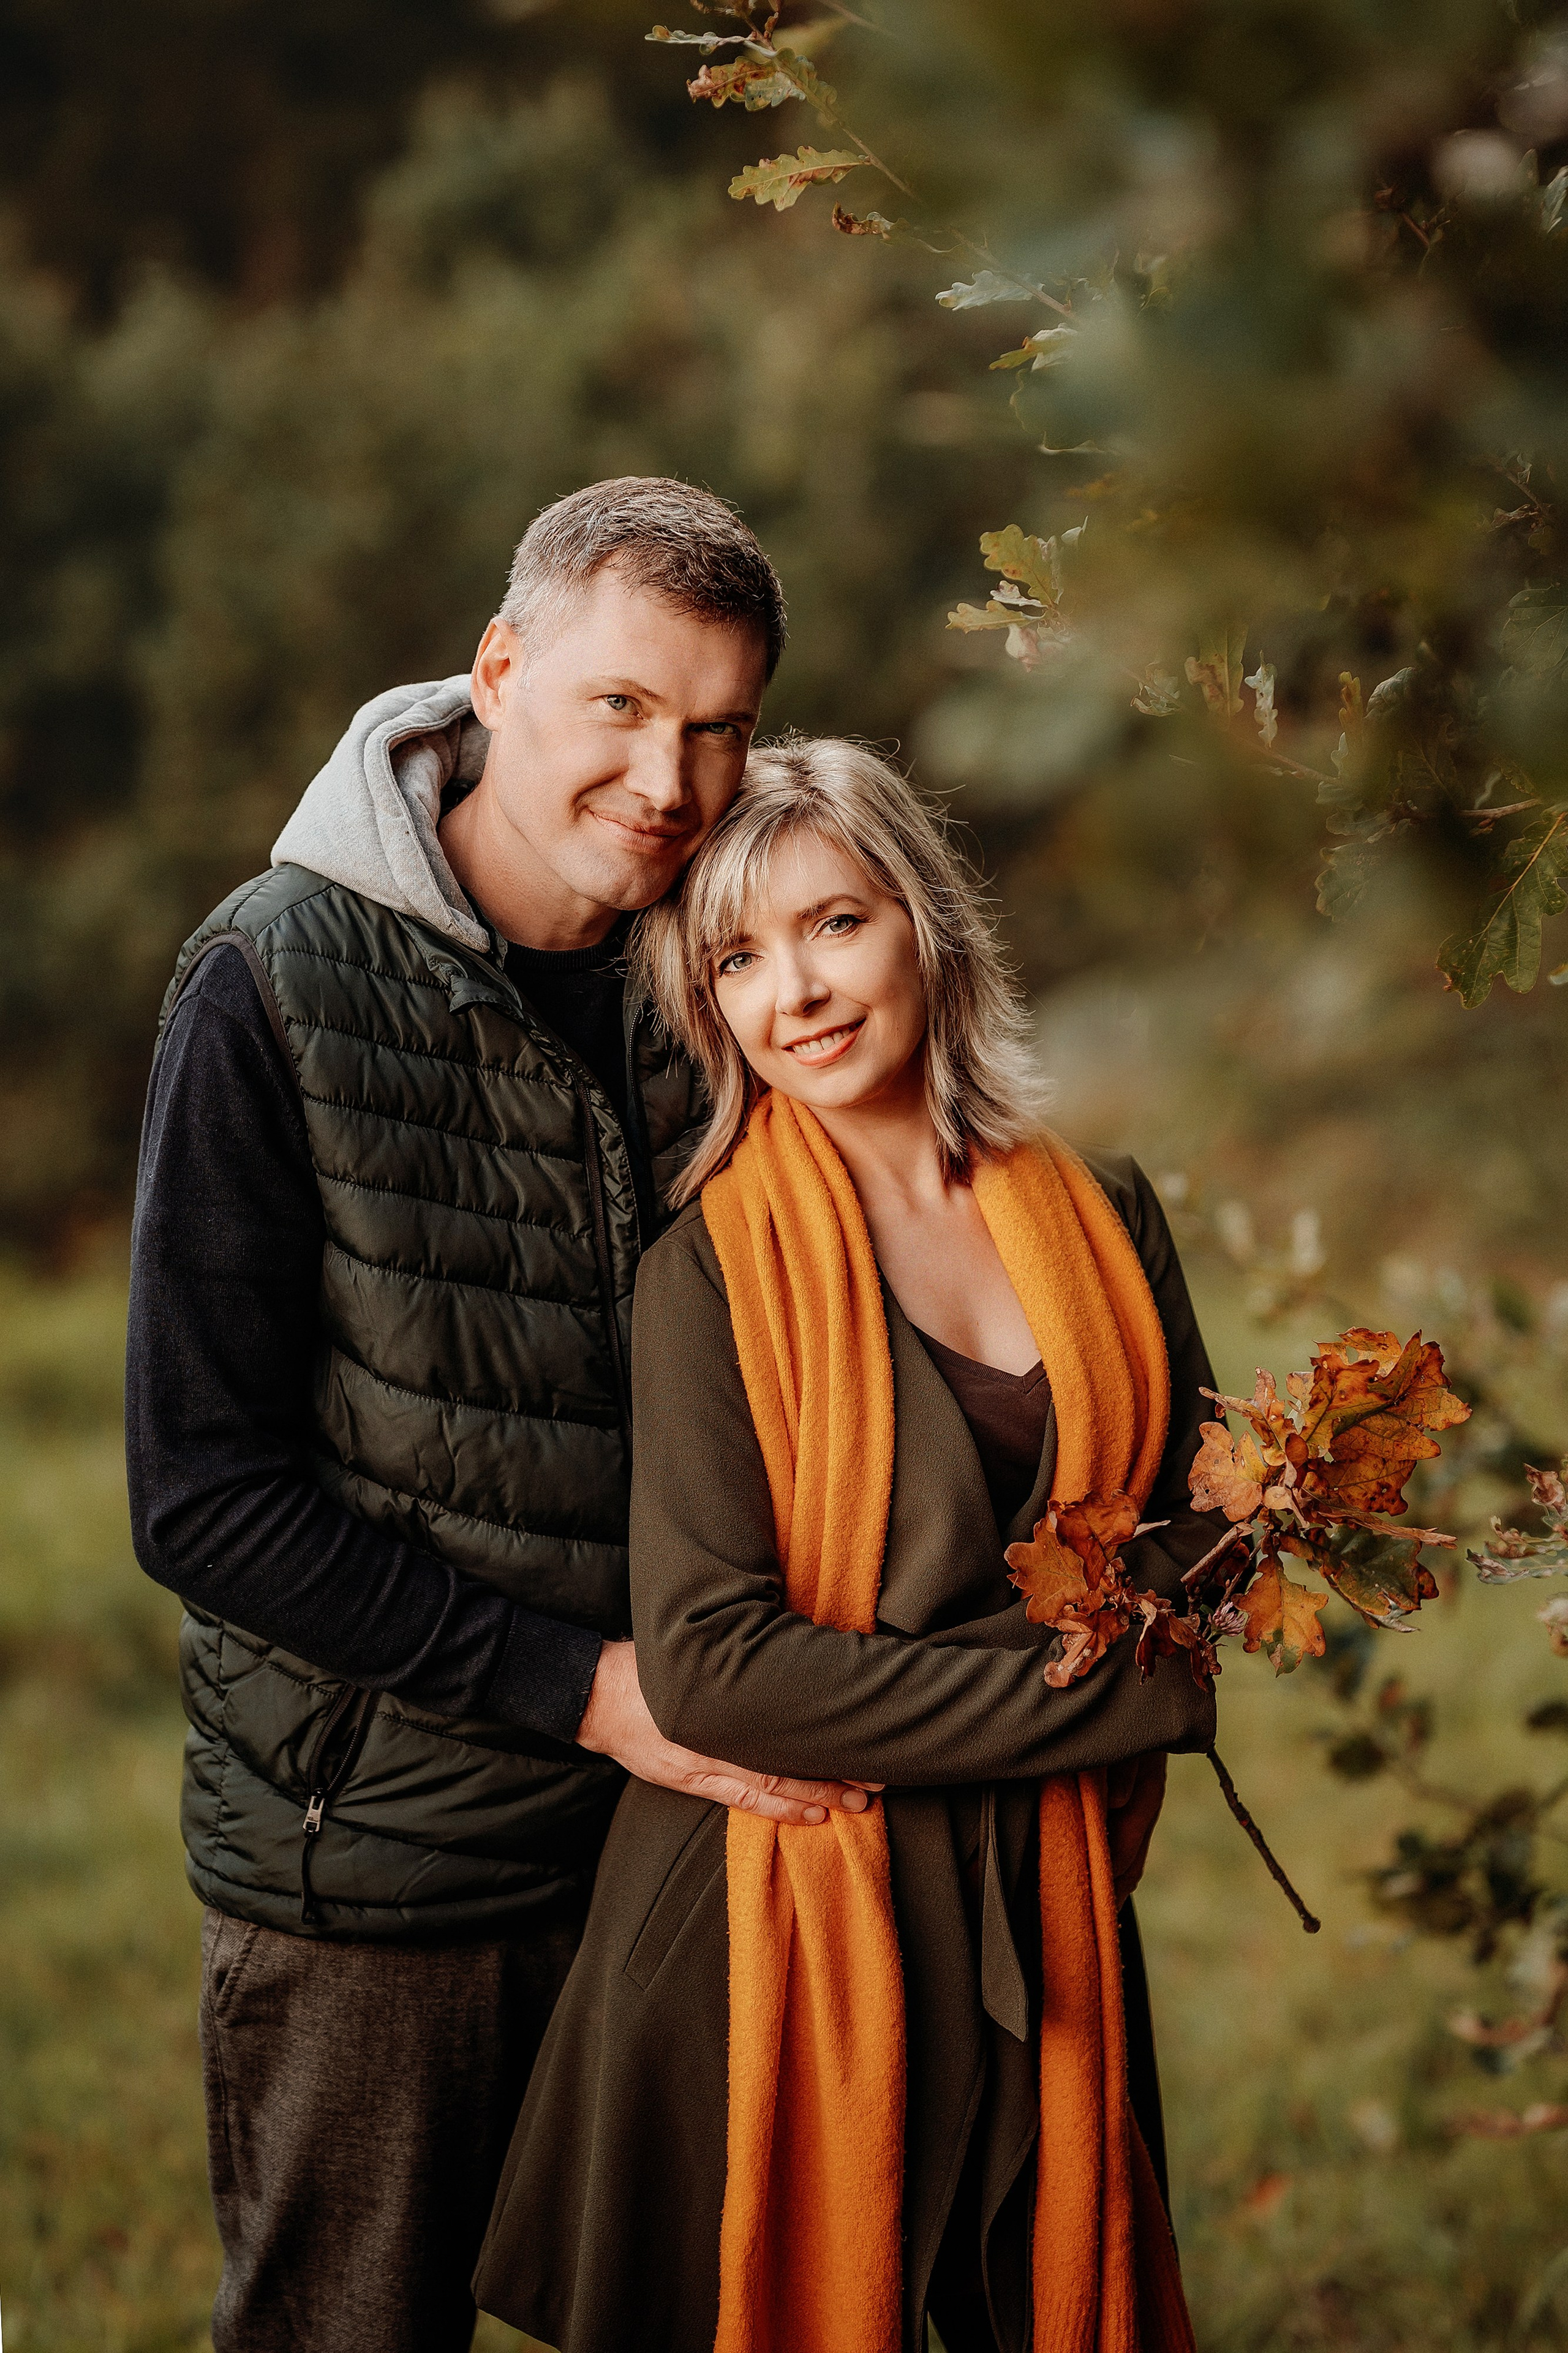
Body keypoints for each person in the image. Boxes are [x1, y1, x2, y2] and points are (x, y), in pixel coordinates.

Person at [124, 480, 878, 2353]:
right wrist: (590, 1687)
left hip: (675, 1840)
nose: (670, 776)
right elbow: (201, 1500)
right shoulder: (270, 981)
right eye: (623, 706)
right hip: (379, 1859)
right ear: (499, 669)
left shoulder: (714, 980)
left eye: (717, 728)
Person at [475, 737, 1223, 2353]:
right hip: (771, 1926)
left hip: (1053, 1903)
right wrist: (1105, 1687)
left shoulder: (1106, 1209)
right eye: (737, 956)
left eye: (832, 924)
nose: (792, 990)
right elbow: (717, 1666)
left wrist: (1148, 1650)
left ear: (926, 926)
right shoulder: (712, 1277)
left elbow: (1207, 1547)